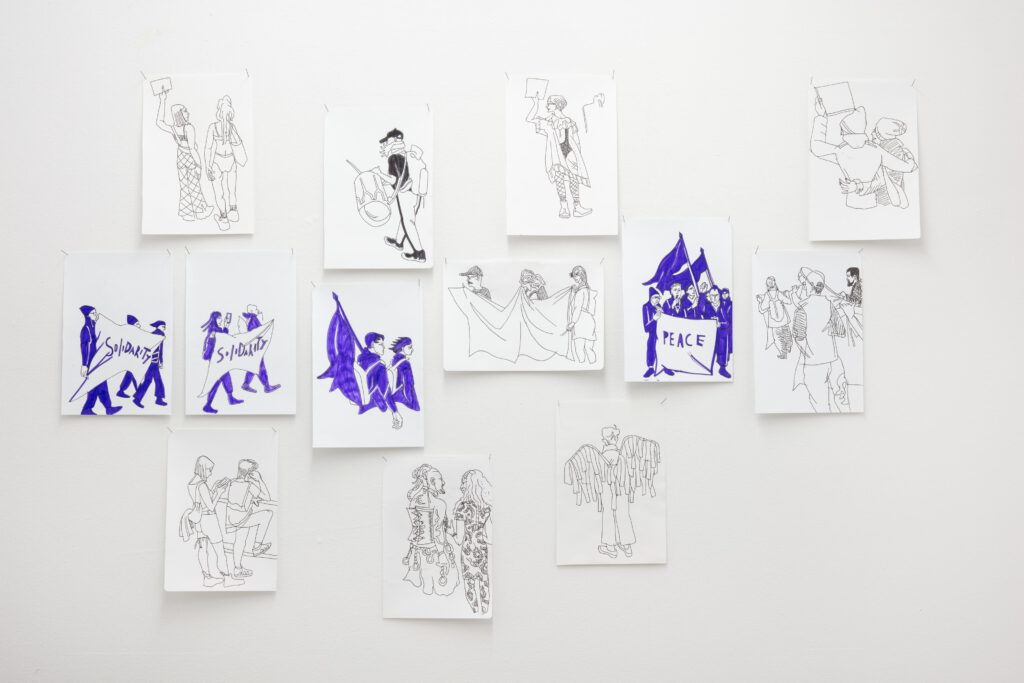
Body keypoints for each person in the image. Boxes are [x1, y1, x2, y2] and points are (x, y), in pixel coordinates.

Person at [810, 98, 917, 210]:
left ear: (847, 132)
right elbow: (907, 167)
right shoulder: (876, 150)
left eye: (842, 129)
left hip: (852, 202)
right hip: (872, 203)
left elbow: (816, 146)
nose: (841, 133)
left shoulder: (841, 151)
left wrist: (821, 117)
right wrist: (909, 157)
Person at [525, 93, 592, 219]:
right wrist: (535, 103)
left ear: (556, 105)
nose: (547, 106)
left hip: (569, 152)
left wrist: (577, 157)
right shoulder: (548, 121)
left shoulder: (570, 122)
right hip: (556, 153)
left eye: (549, 104)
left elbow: (577, 141)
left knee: (573, 179)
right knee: (559, 178)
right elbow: (529, 118)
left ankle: (577, 207)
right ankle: (564, 208)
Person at [792, 273, 849, 413]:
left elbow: (799, 337)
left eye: (804, 284)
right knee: (844, 404)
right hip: (834, 361)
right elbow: (841, 331)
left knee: (821, 407)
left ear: (809, 286)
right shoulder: (829, 304)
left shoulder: (802, 307)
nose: (802, 286)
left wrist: (809, 354)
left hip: (814, 365)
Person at [180, 456, 241, 588]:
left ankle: (207, 578)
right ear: (203, 469)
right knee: (220, 550)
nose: (211, 473)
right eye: (209, 470)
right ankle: (228, 579)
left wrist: (213, 489)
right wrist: (219, 492)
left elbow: (202, 501)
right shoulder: (202, 485)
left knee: (203, 548)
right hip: (209, 519)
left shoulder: (192, 483)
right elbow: (211, 506)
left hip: (199, 520)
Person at [154, 91, 212, 222]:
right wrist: (199, 166)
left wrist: (162, 100)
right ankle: (200, 211)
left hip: (180, 157)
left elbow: (159, 121)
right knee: (194, 185)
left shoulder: (174, 128)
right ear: (180, 114)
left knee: (185, 186)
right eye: (185, 111)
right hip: (190, 157)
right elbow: (192, 148)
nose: (188, 113)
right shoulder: (189, 128)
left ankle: (187, 213)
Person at [402, 465, 459, 596]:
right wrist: (442, 554)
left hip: (416, 553)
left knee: (424, 589)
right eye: (441, 479)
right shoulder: (440, 504)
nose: (443, 482)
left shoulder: (414, 501)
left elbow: (418, 528)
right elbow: (438, 533)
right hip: (435, 553)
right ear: (432, 482)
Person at [375, 129, 427, 263]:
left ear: (393, 140)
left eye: (387, 141)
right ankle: (398, 242)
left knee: (408, 222)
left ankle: (419, 254)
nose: (385, 144)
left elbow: (396, 180)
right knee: (407, 219)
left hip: (406, 193)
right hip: (416, 192)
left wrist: (379, 174)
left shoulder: (394, 157)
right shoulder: (407, 154)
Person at [224, 459, 274, 580]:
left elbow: (238, 498)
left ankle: (237, 569)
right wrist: (260, 480)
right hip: (241, 518)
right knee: (267, 514)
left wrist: (252, 499)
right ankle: (257, 547)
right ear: (250, 473)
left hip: (231, 518)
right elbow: (267, 497)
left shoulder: (232, 482)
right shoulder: (250, 486)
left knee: (240, 541)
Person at [453, 469, 493, 615]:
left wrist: (449, 531)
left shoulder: (462, 507)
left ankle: (474, 612)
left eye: (463, 482)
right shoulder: (486, 507)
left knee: (469, 584)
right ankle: (485, 611)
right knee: (484, 583)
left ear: (468, 484)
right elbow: (489, 538)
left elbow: (459, 539)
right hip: (482, 550)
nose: (461, 486)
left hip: (468, 551)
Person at [205, 95, 247, 228]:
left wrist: (207, 165)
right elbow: (238, 144)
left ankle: (223, 219)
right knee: (231, 189)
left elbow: (208, 148)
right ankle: (233, 213)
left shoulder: (213, 127)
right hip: (230, 160)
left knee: (219, 192)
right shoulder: (232, 127)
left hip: (217, 160)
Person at [596, 425, 635, 558]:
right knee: (623, 513)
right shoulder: (621, 456)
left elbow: (599, 476)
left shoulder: (602, 457)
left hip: (607, 490)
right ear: (616, 439)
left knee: (608, 514)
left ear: (604, 441)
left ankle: (610, 547)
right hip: (622, 490)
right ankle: (627, 545)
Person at [78, 306, 121, 416]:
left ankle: (105, 408)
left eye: (96, 312)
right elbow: (85, 347)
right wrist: (85, 364)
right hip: (91, 362)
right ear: (88, 316)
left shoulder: (94, 327)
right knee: (96, 385)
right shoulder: (86, 329)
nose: (96, 315)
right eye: (93, 313)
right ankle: (91, 409)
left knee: (100, 385)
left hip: (97, 361)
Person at [200, 311, 244, 414]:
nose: (221, 320)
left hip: (222, 362)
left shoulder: (218, 330)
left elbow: (224, 339)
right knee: (215, 384)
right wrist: (211, 340)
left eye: (221, 318)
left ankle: (230, 399)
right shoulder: (212, 332)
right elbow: (206, 355)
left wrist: (226, 327)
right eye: (218, 318)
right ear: (214, 319)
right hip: (216, 364)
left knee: (226, 380)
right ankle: (208, 405)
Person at [358, 332, 402, 429]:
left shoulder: (361, 360)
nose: (384, 347)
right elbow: (385, 391)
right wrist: (395, 412)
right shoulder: (379, 366)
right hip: (375, 409)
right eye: (380, 344)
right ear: (372, 345)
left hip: (362, 407)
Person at [239, 305, 281, 395]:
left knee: (253, 366)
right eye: (256, 309)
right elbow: (259, 332)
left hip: (253, 348)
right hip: (256, 348)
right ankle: (267, 387)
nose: (257, 310)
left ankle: (246, 384)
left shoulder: (250, 318)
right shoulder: (254, 318)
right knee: (261, 368)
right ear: (251, 311)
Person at [566, 265, 598, 364]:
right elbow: (592, 310)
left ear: (582, 275)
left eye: (577, 275)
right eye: (574, 276)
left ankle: (582, 365)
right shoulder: (591, 292)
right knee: (589, 348)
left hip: (580, 320)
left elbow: (577, 308)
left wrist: (572, 323)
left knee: (579, 347)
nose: (575, 278)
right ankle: (593, 365)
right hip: (590, 320)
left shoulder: (580, 292)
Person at [133, 320, 167, 407]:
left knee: (155, 380)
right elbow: (159, 350)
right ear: (158, 326)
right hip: (152, 362)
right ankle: (138, 398)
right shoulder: (159, 334)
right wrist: (161, 361)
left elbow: (159, 350)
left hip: (153, 362)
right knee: (149, 380)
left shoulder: (155, 334)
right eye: (163, 326)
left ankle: (158, 399)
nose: (165, 328)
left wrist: (160, 361)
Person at [757, 277, 793, 359]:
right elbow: (789, 302)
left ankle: (784, 353)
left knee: (780, 338)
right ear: (775, 283)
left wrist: (759, 302)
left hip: (774, 322)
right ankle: (789, 346)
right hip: (784, 320)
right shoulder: (779, 293)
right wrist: (787, 295)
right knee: (787, 334)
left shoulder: (767, 296)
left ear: (767, 285)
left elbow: (762, 309)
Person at [704, 287, 732, 378]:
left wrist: (720, 324)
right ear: (709, 296)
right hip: (709, 333)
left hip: (721, 333)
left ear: (719, 295)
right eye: (712, 295)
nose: (714, 298)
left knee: (723, 347)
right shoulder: (707, 306)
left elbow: (728, 322)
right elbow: (702, 317)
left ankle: (722, 368)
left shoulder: (724, 307)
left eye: (716, 295)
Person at [387, 337, 419, 412]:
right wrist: (410, 400)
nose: (412, 349)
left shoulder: (393, 360)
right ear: (402, 348)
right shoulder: (405, 363)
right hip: (404, 397)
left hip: (393, 396)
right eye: (409, 347)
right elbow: (408, 384)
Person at [115, 315, 143, 399]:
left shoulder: (137, 334)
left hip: (135, 359)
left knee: (131, 375)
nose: (139, 326)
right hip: (131, 359)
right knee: (133, 375)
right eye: (137, 324)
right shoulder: (131, 335)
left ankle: (124, 391)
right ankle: (137, 392)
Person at [642, 291, 664, 378]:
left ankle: (664, 367)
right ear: (650, 298)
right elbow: (646, 328)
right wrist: (654, 319)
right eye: (655, 297)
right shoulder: (646, 307)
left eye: (658, 298)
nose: (657, 300)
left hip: (662, 332)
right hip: (653, 333)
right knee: (651, 346)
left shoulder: (659, 306)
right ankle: (650, 368)